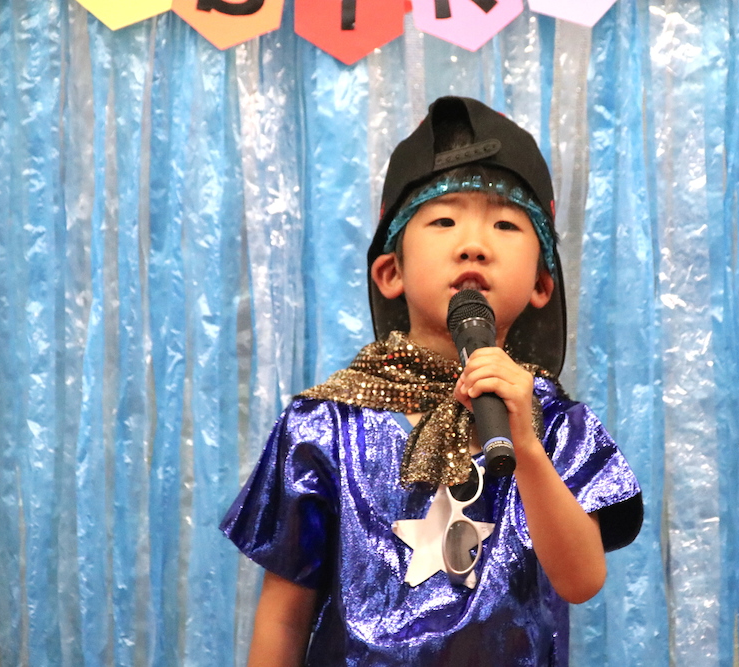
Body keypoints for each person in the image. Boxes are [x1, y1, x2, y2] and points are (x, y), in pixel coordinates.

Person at [220, 96, 643, 666]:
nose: (474, 244)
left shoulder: (557, 426)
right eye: (444, 220)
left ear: (542, 284)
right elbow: (284, 616)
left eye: (506, 224)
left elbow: (581, 580)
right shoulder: (323, 426)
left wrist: (525, 444)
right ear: (390, 272)